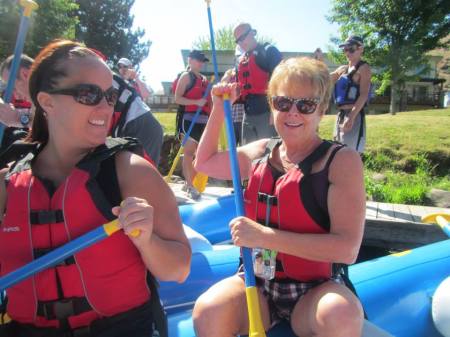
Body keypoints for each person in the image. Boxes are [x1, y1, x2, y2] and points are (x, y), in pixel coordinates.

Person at [0, 40, 191, 337]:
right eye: (89, 94)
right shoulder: (7, 186)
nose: (105, 107)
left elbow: (178, 269)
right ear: (47, 102)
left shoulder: (132, 172)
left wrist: (146, 241)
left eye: (110, 95)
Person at [193, 57, 365, 337]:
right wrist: (217, 109)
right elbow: (205, 163)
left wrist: (263, 237)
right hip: (256, 284)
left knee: (341, 315)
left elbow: (346, 249)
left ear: (321, 110)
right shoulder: (260, 152)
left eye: (305, 105)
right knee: (208, 311)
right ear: (272, 105)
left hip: (314, 291)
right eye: (283, 103)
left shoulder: (341, 161)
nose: (293, 113)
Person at [233, 22, 282, 144]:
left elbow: (281, 84)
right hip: (248, 114)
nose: (241, 43)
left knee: (267, 154)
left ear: (252, 33)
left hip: (267, 112)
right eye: (237, 41)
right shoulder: (241, 60)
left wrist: (274, 111)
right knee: (247, 154)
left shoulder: (269, 51)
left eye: (242, 38)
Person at [173, 50, 211, 200]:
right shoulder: (185, 77)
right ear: (190, 60)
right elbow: (177, 99)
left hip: (202, 120)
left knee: (200, 154)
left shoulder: (204, 80)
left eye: (202, 61)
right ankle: (190, 185)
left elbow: (210, 101)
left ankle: (188, 182)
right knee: (188, 153)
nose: (201, 63)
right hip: (188, 119)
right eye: (198, 60)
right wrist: (196, 102)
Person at [331, 36, 371, 153]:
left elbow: (364, 94)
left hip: (354, 115)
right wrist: (319, 61)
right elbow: (324, 79)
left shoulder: (364, 68)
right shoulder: (342, 69)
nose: (347, 52)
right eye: (345, 49)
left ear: (361, 49)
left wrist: (351, 116)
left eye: (351, 49)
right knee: (337, 152)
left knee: (350, 154)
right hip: (340, 115)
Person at [0, 55, 34, 149]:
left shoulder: (52, 91)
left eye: (14, 88)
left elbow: (52, 122)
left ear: (25, 74)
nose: (16, 96)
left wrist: (16, 118)